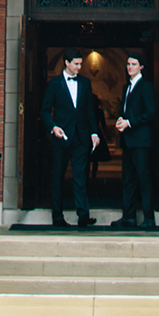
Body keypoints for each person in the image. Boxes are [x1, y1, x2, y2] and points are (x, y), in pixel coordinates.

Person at [40, 47, 100, 228]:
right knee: (58, 176)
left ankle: (83, 215)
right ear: (67, 63)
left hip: (81, 137)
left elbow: (90, 110)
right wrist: (53, 127)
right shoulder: (54, 84)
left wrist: (94, 133)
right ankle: (57, 216)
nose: (79, 68)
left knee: (80, 177)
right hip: (62, 137)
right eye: (76, 64)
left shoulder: (85, 83)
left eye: (81, 64)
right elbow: (44, 110)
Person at [112, 52, 156, 229]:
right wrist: (122, 120)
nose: (130, 67)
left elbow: (150, 113)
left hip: (141, 141)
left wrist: (130, 122)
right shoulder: (126, 87)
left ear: (141, 67)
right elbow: (126, 111)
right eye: (128, 64)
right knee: (128, 180)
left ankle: (149, 218)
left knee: (143, 179)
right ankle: (128, 217)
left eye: (134, 64)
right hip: (128, 140)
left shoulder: (145, 86)